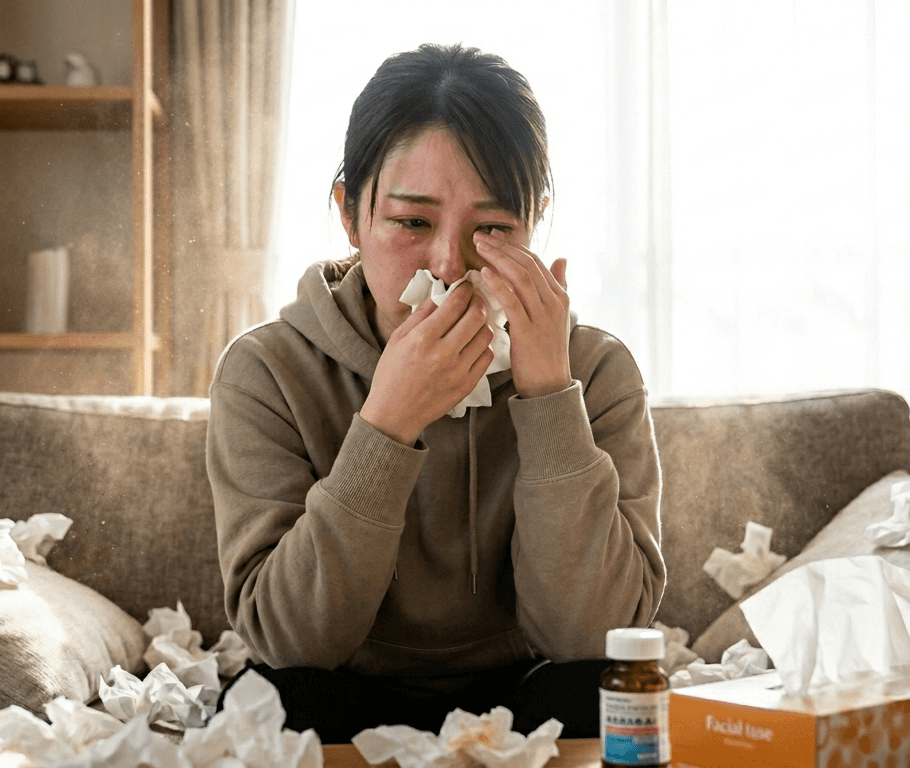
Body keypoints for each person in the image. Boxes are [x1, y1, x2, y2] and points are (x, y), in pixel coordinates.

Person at [207, 43, 665, 743]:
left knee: (598, 694)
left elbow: (591, 636)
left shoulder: (596, 370)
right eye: (412, 222)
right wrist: (387, 424)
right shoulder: (266, 370)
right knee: (278, 703)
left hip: (528, 689)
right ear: (350, 215)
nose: (450, 264)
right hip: (343, 687)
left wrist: (549, 393)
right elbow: (291, 639)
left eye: (494, 229)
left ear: (534, 223)